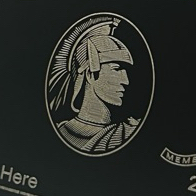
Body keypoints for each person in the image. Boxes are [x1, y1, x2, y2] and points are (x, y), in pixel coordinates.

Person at [54, 21, 140, 154]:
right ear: (90, 74)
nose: (126, 81)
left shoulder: (128, 132)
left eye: (126, 72)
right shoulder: (60, 129)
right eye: (116, 69)